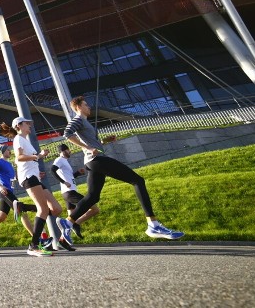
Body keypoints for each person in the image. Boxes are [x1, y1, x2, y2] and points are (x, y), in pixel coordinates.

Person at [60, 95, 184, 240]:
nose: (89, 107)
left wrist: (104, 141)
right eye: (86, 105)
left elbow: (94, 142)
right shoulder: (78, 119)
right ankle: (153, 224)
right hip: (97, 160)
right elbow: (67, 134)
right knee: (137, 181)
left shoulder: (86, 123)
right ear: (79, 107)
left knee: (93, 196)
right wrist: (88, 147)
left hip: (93, 162)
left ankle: (67, 222)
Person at [0, 117, 59, 257]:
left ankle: (25, 209)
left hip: (34, 177)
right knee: (43, 209)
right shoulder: (18, 139)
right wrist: (38, 156)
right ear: (19, 126)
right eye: (27, 123)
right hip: (28, 178)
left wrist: (38, 170)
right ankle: (34, 245)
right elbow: (18, 158)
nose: (30, 125)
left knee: (56, 208)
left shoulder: (26, 141)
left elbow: (29, 160)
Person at [51, 143, 99, 239]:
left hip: (68, 193)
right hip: (69, 192)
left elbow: (69, 176)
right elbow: (52, 170)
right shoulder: (59, 160)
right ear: (63, 151)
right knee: (95, 209)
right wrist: (64, 182)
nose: (70, 151)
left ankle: (64, 240)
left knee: (70, 221)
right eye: (68, 150)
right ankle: (76, 223)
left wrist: (77, 173)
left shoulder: (65, 161)